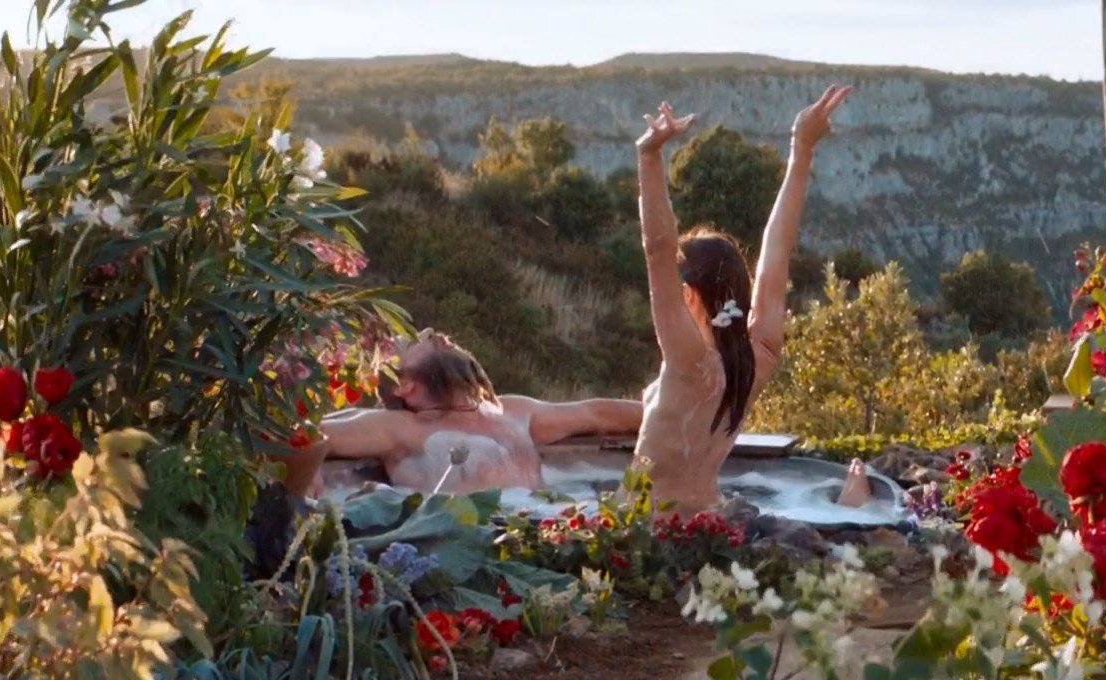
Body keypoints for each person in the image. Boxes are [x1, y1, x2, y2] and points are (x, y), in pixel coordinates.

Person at [632, 85, 859, 514]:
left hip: (650, 527)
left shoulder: (688, 363)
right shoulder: (755, 360)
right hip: (712, 519)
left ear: (688, 294)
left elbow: (657, 250)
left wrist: (649, 157)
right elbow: (777, 253)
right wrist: (801, 148)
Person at [280, 331, 643, 497]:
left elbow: (596, 414)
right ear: (403, 386)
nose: (434, 334)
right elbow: (303, 432)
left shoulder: (511, 410)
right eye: (417, 340)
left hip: (542, 531)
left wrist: (672, 412)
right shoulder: (400, 427)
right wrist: (305, 472)